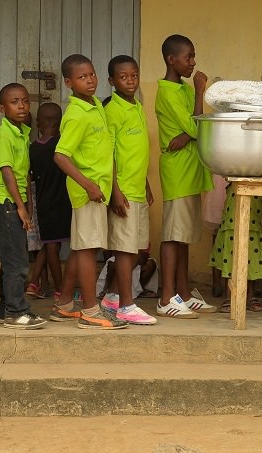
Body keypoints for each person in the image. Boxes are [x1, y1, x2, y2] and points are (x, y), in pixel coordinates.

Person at [48, 54, 127, 330]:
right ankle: (91, 310)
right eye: (82, 77)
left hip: (98, 191)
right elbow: (61, 155)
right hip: (87, 193)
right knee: (86, 251)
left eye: (92, 74)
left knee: (84, 247)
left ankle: (66, 304)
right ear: (69, 83)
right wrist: (88, 184)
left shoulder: (95, 106)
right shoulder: (77, 115)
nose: (90, 80)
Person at [154, 34, 216, 318]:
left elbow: (195, 126)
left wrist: (190, 132)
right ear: (171, 59)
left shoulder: (183, 88)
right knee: (172, 235)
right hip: (177, 172)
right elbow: (196, 125)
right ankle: (166, 297)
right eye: (188, 57)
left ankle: (184, 293)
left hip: (191, 169)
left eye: (193, 56)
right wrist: (201, 92)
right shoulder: (167, 91)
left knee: (184, 237)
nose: (193, 62)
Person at [0, 83, 48, 329]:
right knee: (17, 262)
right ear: (2, 108)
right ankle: (16, 311)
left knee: (13, 258)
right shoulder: (4, 135)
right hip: (5, 202)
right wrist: (21, 207)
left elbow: (25, 176)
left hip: (14, 202)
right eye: (14, 102)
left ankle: (5, 309)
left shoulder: (21, 132)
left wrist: (27, 206)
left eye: (24, 101)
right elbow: (7, 173)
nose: (21, 106)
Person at [99, 55, 156, 325]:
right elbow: (107, 153)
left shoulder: (136, 107)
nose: (130, 80)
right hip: (123, 191)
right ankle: (126, 304)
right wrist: (114, 191)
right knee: (123, 249)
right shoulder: (112, 111)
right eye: (123, 76)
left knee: (134, 250)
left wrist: (145, 184)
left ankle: (112, 295)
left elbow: (137, 151)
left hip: (137, 189)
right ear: (112, 81)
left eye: (134, 75)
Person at [29, 103, 68, 302]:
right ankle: (60, 288)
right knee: (53, 247)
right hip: (61, 203)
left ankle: (35, 282)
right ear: (61, 123)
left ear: (38, 123)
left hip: (42, 203)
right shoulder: (61, 146)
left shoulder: (33, 148)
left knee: (47, 244)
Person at [209, 185, 262, 313]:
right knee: (230, 252)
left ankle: (250, 295)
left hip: (255, 191)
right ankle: (229, 296)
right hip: (233, 195)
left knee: (252, 253)